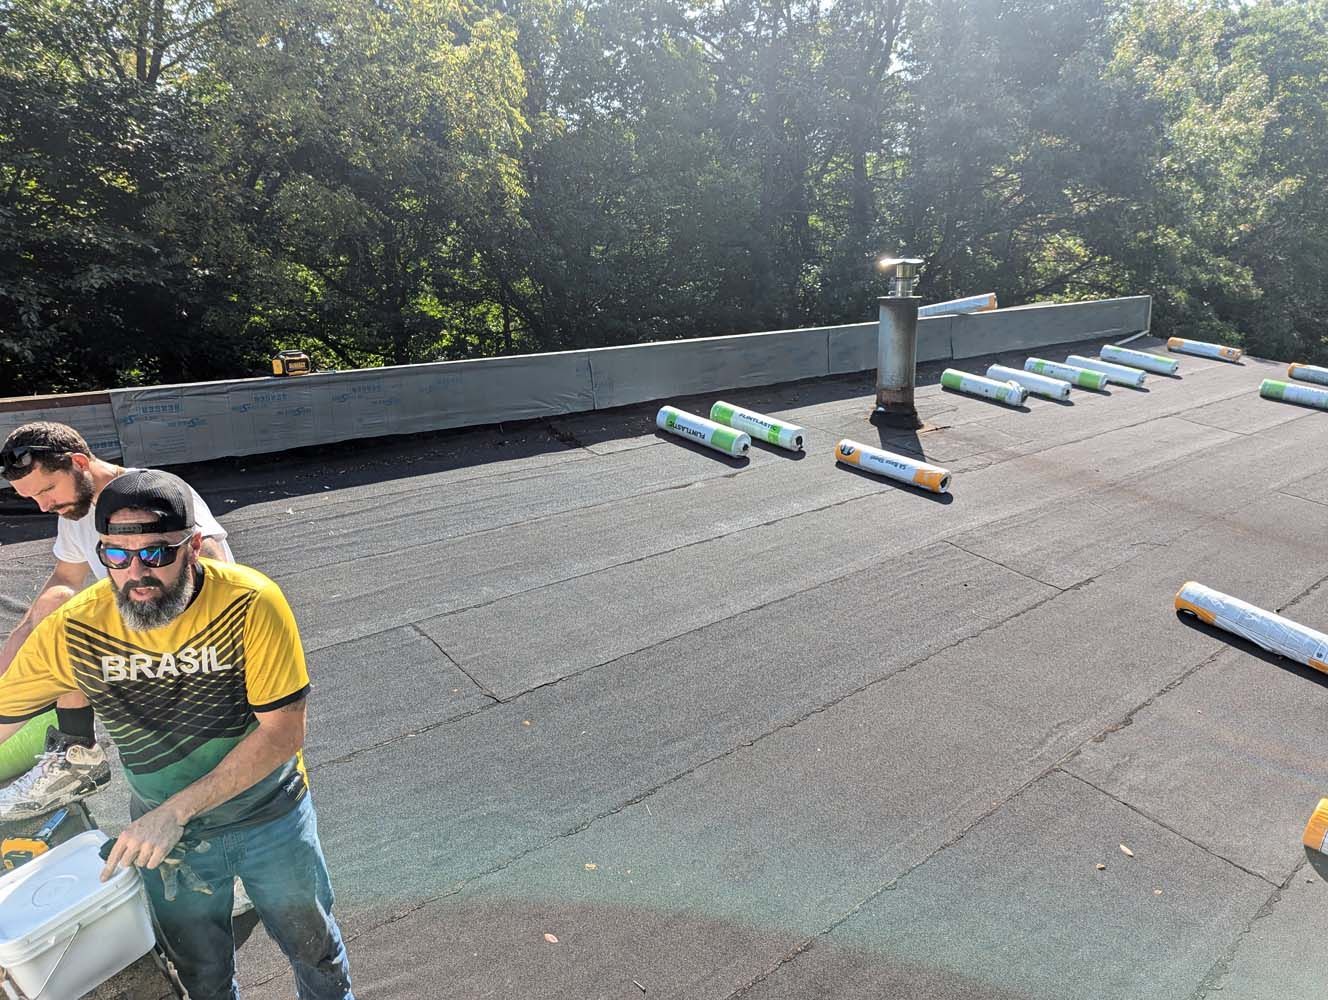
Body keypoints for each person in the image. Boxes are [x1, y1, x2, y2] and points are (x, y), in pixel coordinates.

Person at [0, 470, 353, 1000]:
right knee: (201, 975)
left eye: (156, 554)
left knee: (316, 954)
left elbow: (282, 734)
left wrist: (175, 811)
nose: (136, 573)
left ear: (192, 548)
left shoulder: (251, 603)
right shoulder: (75, 628)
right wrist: (169, 818)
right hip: (168, 841)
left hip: (269, 817)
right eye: (117, 556)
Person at [0, 421, 233, 820]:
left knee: (75, 635)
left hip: (194, 643)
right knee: (57, 613)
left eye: (46, 490)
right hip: (142, 632)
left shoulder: (150, 492)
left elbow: (213, 564)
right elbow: (64, 580)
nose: (43, 506)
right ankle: (73, 750)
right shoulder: (76, 510)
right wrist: (17, 649)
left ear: (78, 462)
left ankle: (78, 757)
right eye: (32, 498)